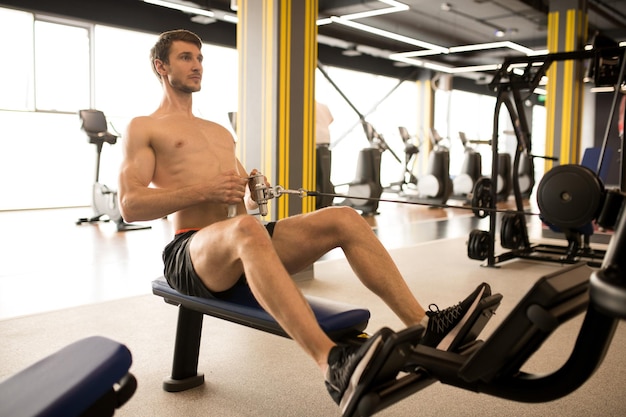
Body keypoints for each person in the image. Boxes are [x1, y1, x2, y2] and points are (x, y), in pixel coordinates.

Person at [118, 29, 492, 413]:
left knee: (344, 218)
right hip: (191, 251)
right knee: (246, 231)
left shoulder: (218, 132)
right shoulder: (145, 127)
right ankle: (332, 363)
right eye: (185, 57)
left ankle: (426, 327)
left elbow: (243, 200)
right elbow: (130, 205)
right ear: (160, 66)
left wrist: (254, 190)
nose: (196, 65)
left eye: (199, 58)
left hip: (240, 241)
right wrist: (205, 191)